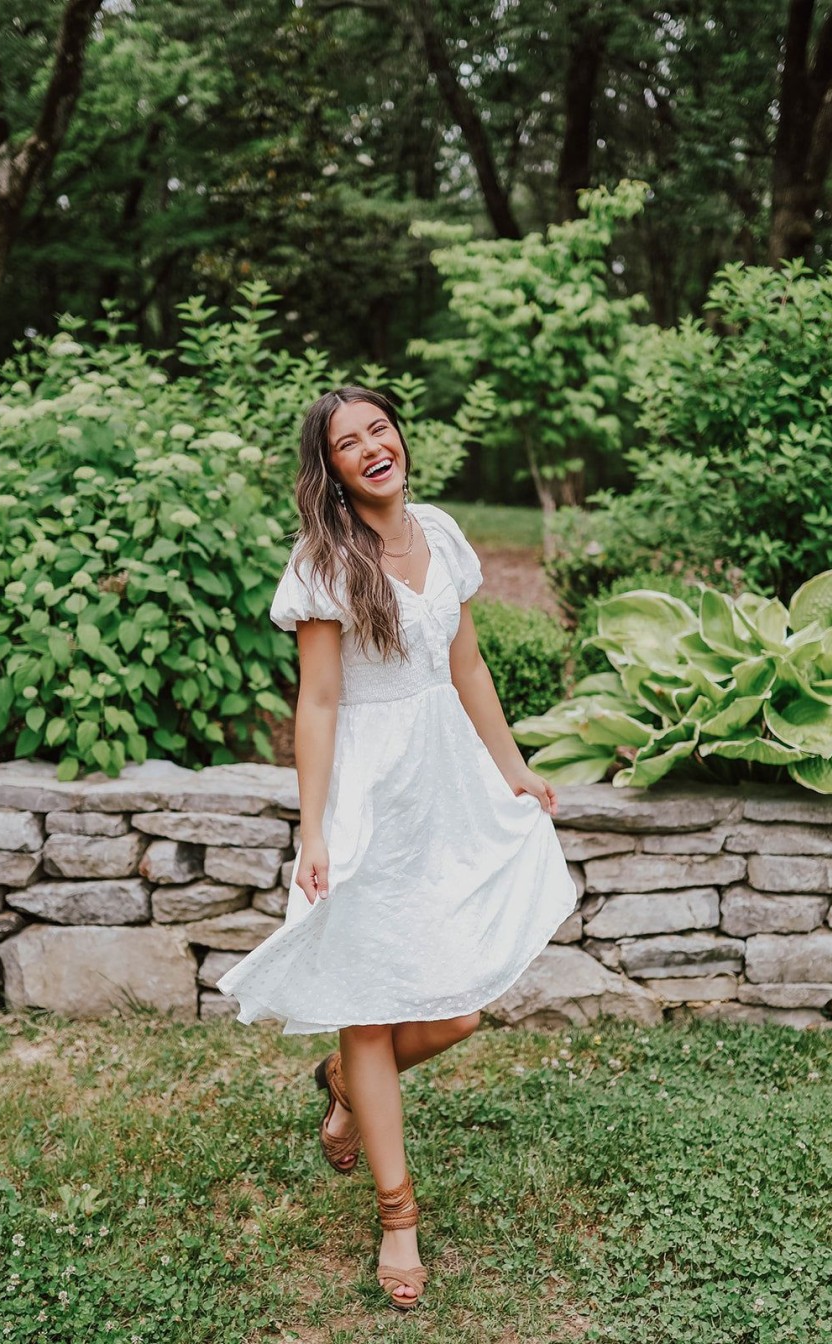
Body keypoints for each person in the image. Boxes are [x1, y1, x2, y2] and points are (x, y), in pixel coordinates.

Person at [217, 386, 577, 1310]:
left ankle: (341, 1078)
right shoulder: (325, 562)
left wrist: (514, 770)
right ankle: (397, 1217)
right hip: (367, 793)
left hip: (445, 784)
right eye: (348, 442)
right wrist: (316, 825)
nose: (372, 446)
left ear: (398, 439)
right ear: (330, 468)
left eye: (379, 428)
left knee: (455, 1008)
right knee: (371, 1001)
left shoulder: (444, 534)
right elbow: (322, 703)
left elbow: (466, 665)